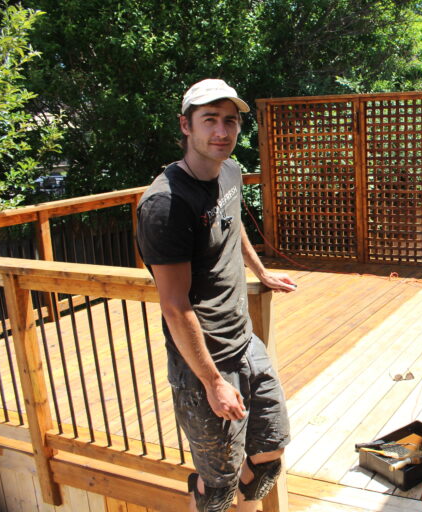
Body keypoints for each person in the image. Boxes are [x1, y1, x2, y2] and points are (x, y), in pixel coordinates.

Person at [137, 78, 295, 512]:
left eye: (230, 121)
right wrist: (212, 383)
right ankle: (205, 492)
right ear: (185, 125)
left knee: (269, 457)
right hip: (203, 362)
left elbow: (231, 222)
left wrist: (261, 271)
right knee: (219, 490)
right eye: (210, 120)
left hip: (244, 340)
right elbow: (175, 305)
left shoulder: (229, 171)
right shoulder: (166, 205)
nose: (222, 131)